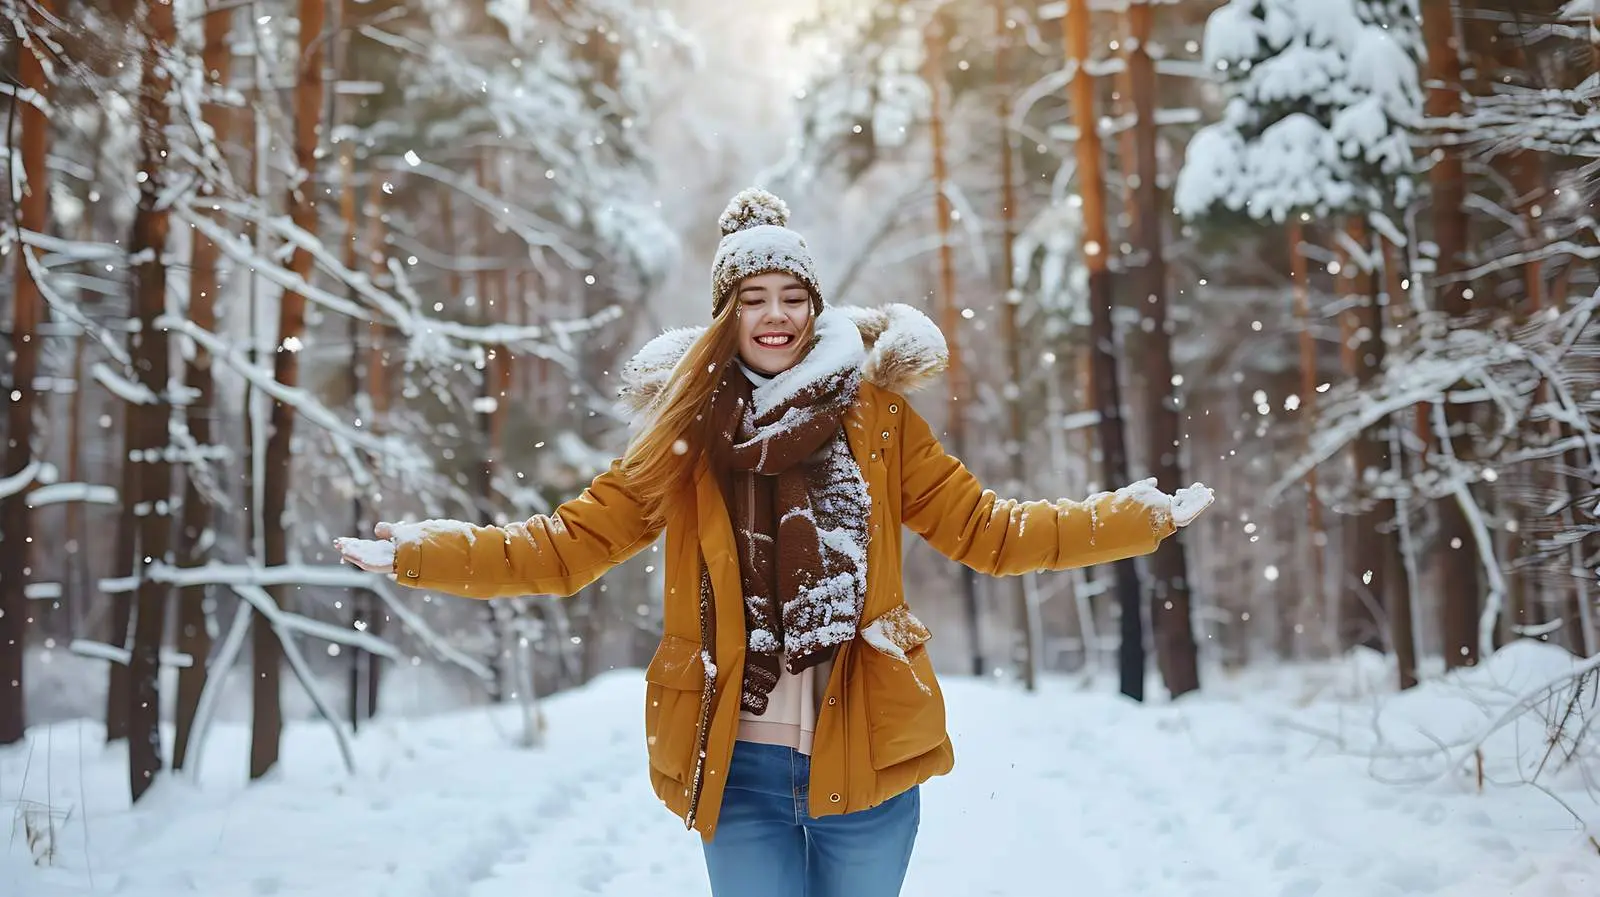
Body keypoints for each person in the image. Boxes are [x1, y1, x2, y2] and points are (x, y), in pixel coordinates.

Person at [335, 187, 1213, 897]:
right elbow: (563, 546)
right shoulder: (684, 434)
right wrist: (423, 553)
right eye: (753, 300)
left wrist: (1135, 518)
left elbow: (991, 532)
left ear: (816, 307)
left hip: (867, 756)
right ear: (726, 315)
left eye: (793, 298)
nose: (775, 317)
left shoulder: (876, 421)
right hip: (741, 768)